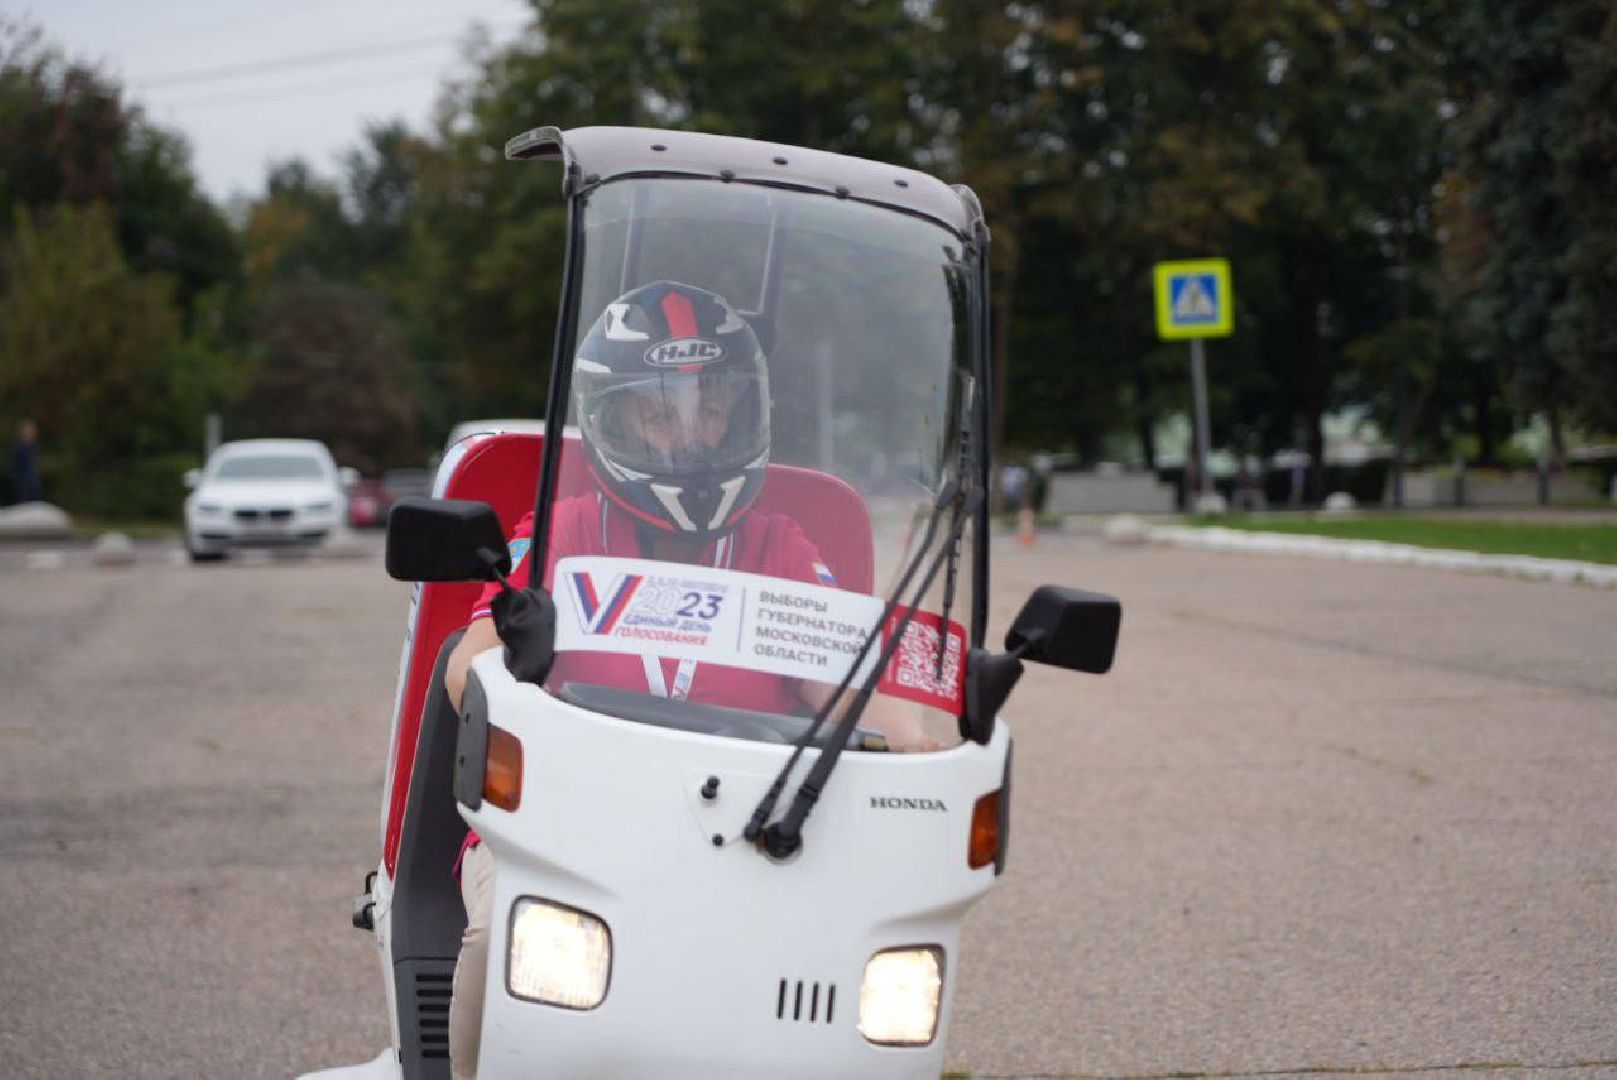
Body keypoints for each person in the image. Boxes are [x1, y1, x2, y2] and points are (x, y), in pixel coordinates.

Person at [441, 281, 934, 1079]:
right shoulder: (558, 532)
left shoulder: (781, 545)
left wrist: (912, 736)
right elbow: (464, 669)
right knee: (502, 936)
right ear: (615, 420)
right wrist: (507, 654)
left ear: (744, 413)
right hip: (562, 830)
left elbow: (842, 682)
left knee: (869, 978)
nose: (691, 433)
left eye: (711, 408)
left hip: (757, 834)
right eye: (660, 412)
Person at [10, 419, 41, 504]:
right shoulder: (21, 447)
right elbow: (21, 470)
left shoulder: (30, 447)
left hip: (31, 487)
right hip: (25, 488)